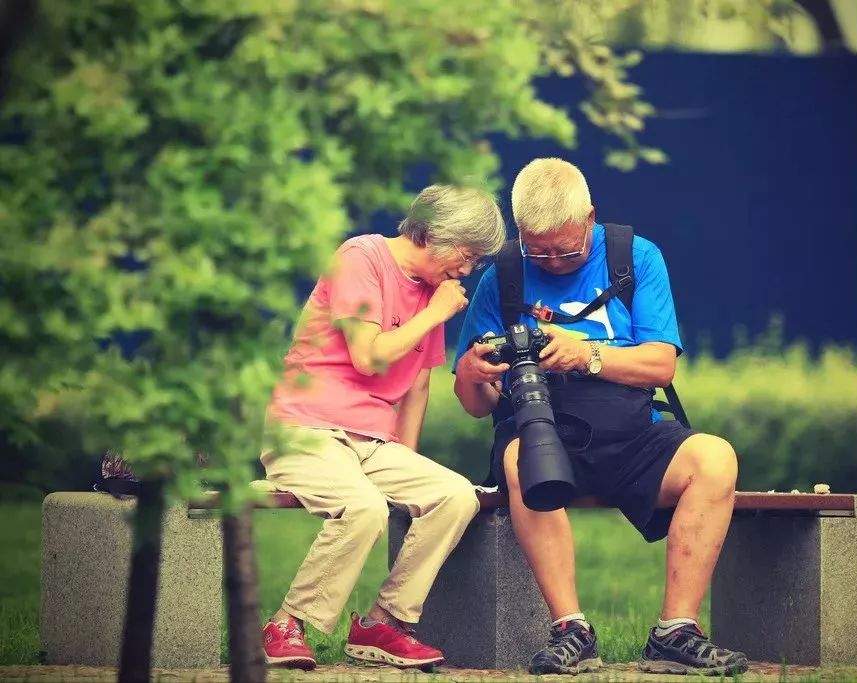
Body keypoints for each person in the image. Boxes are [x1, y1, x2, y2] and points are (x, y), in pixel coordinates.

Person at [452, 158, 749, 676]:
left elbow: (660, 364)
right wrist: (470, 375)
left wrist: (585, 355)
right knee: (523, 457)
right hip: (541, 435)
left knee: (715, 458)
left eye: (567, 249)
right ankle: (571, 630)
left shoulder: (633, 257)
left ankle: (675, 631)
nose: (553, 261)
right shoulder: (500, 275)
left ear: (590, 216)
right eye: (537, 250)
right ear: (520, 232)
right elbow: (479, 407)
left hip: (632, 434)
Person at [261, 184, 506, 670]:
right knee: (363, 508)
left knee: (456, 496)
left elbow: (417, 385)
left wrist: (407, 460)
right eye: (467, 254)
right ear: (435, 235)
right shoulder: (361, 258)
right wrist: (436, 312)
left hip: (372, 442)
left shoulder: (432, 292)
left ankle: (383, 624)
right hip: (307, 427)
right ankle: (286, 624)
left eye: (476, 260)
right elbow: (369, 355)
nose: (467, 269)